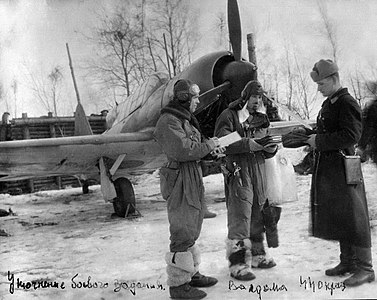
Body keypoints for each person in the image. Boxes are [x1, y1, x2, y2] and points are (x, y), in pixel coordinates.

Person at [307, 59, 375, 287]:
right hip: (333, 169)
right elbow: (330, 129)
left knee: (355, 216)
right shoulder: (331, 103)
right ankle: (348, 261)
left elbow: (351, 136)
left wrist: (319, 140)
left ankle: (365, 268)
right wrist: (309, 135)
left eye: (322, 83)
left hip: (346, 167)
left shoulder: (346, 102)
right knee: (342, 215)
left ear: (334, 79)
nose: (319, 88)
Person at [154, 79, 223, 299]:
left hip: (191, 175)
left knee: (192, 225)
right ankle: (177, 286)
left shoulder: (184, 120)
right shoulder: (168, 121)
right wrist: (208, 146)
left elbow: (196, 147)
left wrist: (211, 148)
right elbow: (183, 150)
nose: (198, 102)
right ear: (184, 98)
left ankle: (190, 274)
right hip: (180, 178)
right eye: (195, 98)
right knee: (182, 228)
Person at [214, 80, 280, 281]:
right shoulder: (228, 115)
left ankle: (258, 255)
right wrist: (249, 144)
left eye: (260, 98)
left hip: (259, 171)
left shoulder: (261, 119)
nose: (257, 101)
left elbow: (266, 141)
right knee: (240, 215)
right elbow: (222, 141)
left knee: (258, 213)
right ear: (245, 96)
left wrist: (270, 148)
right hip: (239, 171)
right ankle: (237, 263)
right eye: (254, 97)